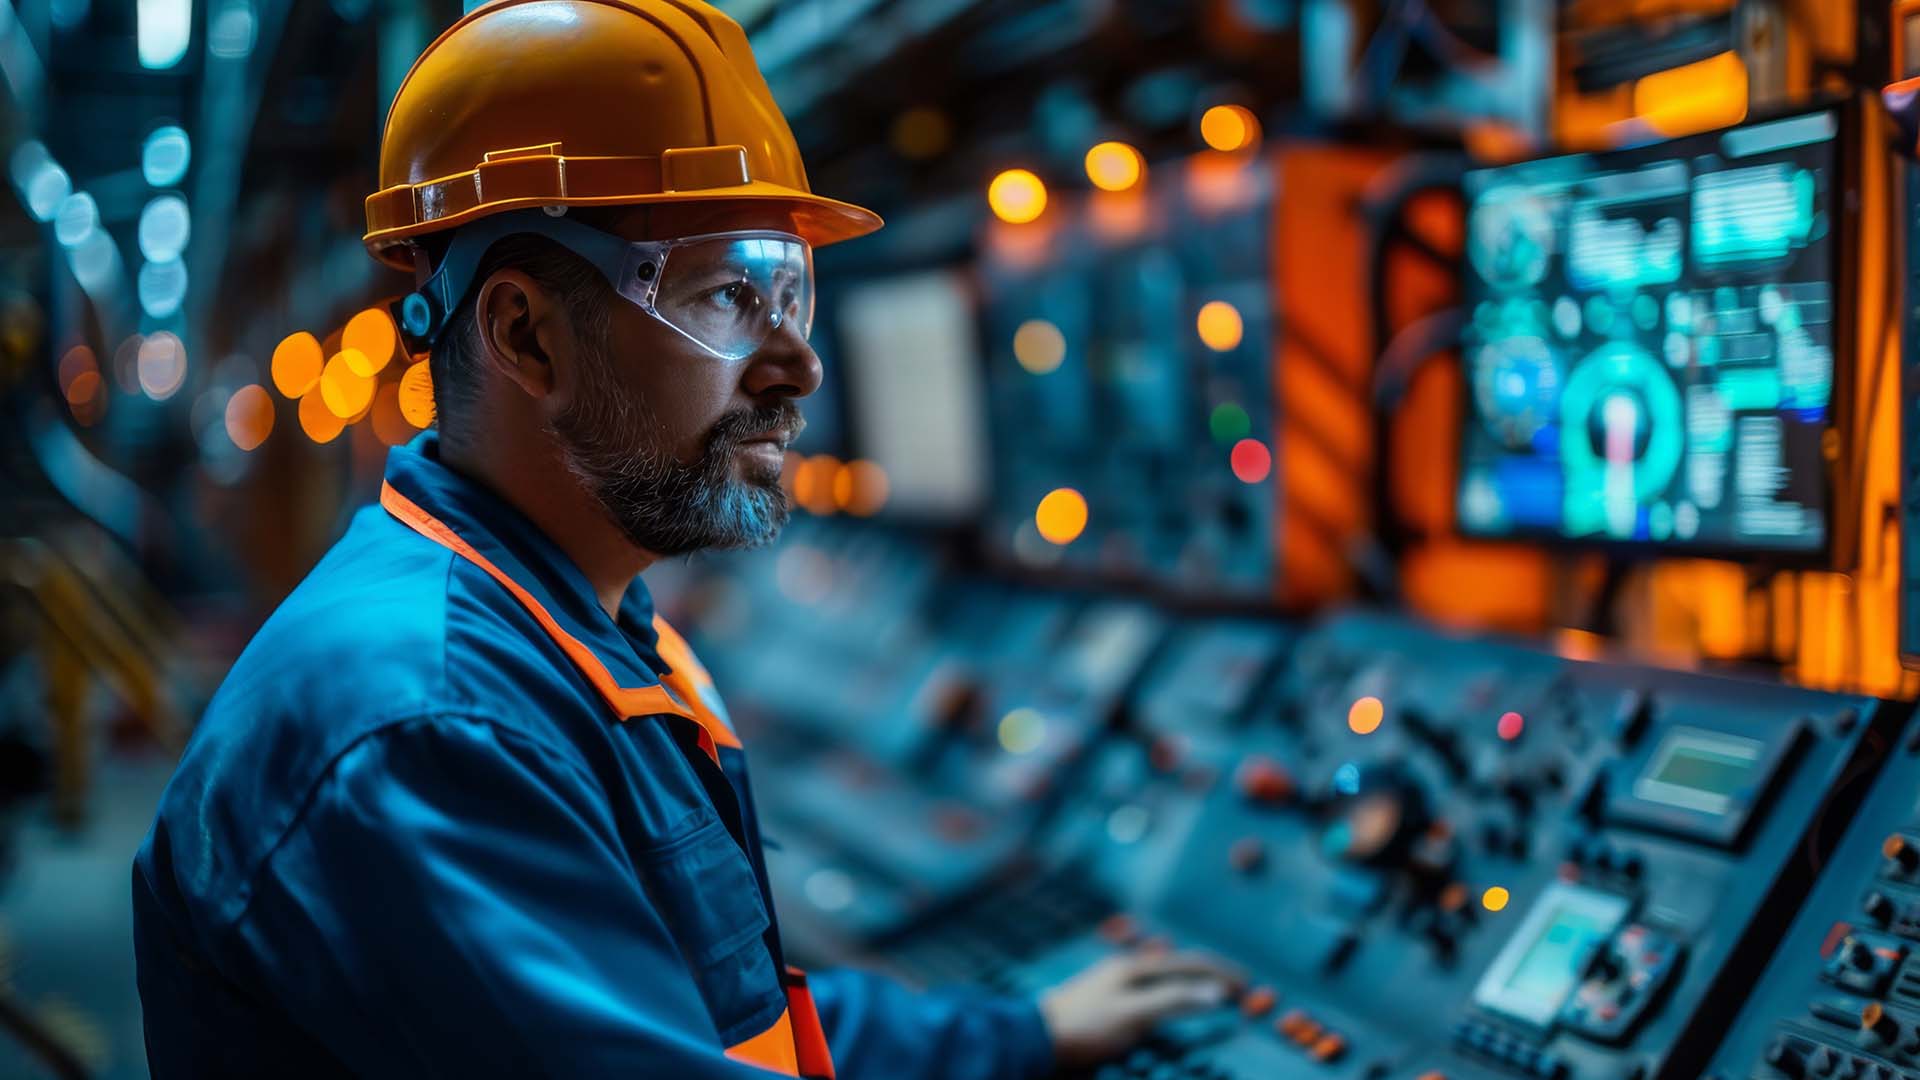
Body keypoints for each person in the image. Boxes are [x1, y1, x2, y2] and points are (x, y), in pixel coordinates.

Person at [131, 2, 1237, 1076]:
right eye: (727, 295)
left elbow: (722, 1017)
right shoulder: (426, 726)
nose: (798, 365)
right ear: (526, 336)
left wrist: (1019, 1038)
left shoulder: (587, 633)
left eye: (792, 293)